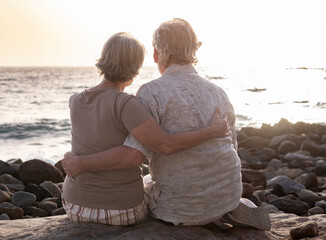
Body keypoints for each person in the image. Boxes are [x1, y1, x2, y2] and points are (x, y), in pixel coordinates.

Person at [63, 19, 271, 230]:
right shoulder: (218, 92)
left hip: (176, 209)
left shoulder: (149, 93)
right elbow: (232, 146)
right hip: (226, 195)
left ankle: (206, 206)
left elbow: (136, 154)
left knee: (146, 181)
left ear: (156, 54)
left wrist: (78, 163)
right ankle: (235, 204)